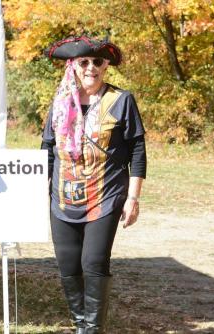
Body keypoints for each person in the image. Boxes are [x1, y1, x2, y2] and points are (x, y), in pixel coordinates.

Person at [41, 36, 147, 333]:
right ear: (73, 66)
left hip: (105, 196)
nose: (91, 68)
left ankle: (92, 330)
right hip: (62, 199)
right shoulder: (60, 103)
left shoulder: (120, 100)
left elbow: (137, 151)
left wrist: (133, 198)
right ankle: (80, 326)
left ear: (107, 65)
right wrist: (38, 192)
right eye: (84, 62)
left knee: (93, 263)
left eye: (98, 62)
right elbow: (47, 150)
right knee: (68, 266)